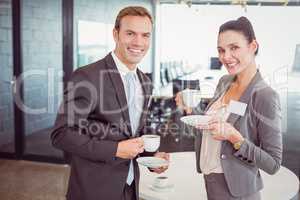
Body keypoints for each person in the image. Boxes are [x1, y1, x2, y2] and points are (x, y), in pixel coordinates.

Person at [51, 6, 169, 200]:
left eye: (145, 35)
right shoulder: (87, 76)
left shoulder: (145, 82)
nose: (138, 42)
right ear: (116, 34)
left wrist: (150, 157)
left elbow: (133, 135)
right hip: (94, 190)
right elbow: (61, 134)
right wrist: (115, 150)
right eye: (130, 33)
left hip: (131, 189)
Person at [175, 16, 282, 200]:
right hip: (212, 181)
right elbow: (214, 124)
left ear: (253, 46)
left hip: (238, 192)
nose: (226, 57)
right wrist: (191, 111)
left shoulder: (264, 95)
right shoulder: (224, 81)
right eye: (221, 50)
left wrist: (236, 138)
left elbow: (273, 164)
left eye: (234, 48)